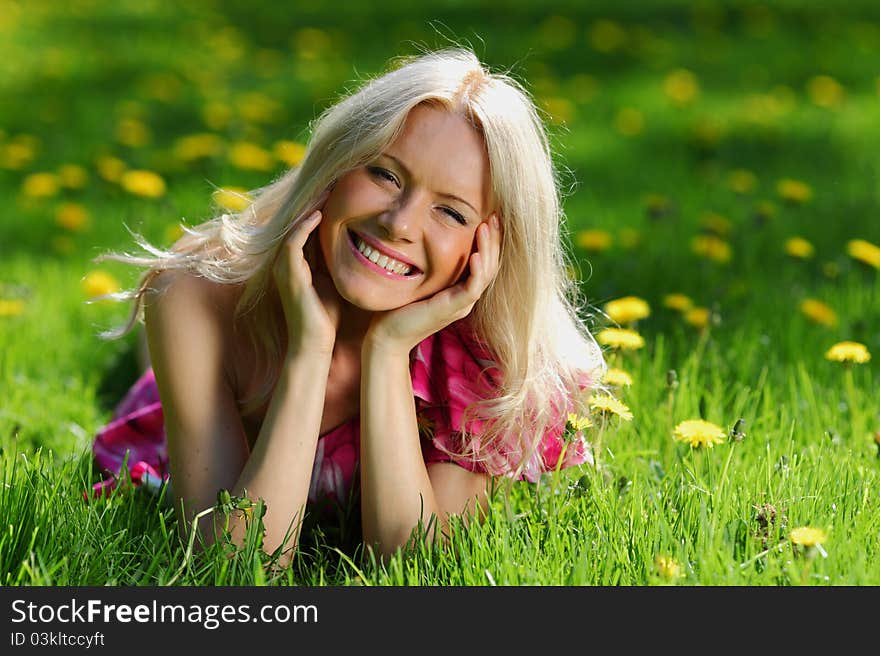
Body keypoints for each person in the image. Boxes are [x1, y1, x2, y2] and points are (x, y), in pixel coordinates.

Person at [89, 46, 606, 564]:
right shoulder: (195, 295)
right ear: (336, 164)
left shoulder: (484, 358)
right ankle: (143, 362)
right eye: (385, 175)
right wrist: (310, 350)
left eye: (450, 211)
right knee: (159, 369)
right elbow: (233, 564)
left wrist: (387, 350)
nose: (399, 224)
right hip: (199, 386)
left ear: (489, 248)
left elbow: (414, 564)